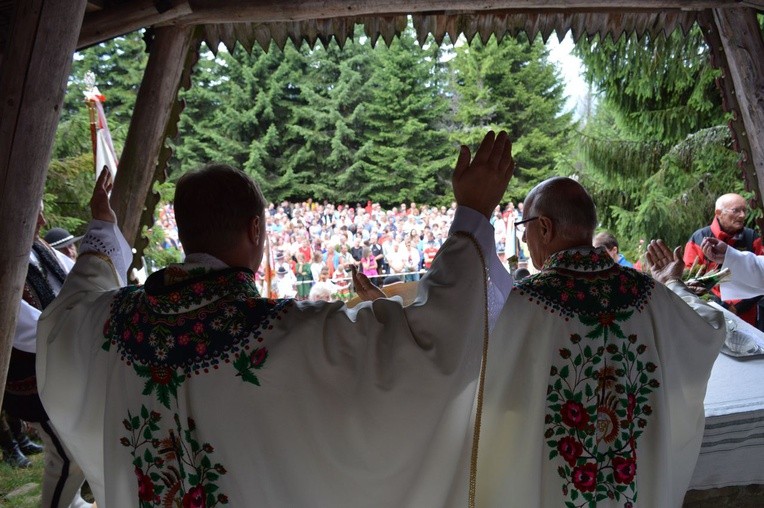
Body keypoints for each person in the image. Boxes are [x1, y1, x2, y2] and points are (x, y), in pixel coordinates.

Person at [37, 131, 514, 507]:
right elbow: (427, 347)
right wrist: (472, 214)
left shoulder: (112, 325)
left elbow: (63, 320)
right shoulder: (290, 334)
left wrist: (102, 228)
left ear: (184, 233)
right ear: (256, 231)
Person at [476, 177, 726, 507]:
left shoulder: (525, 303)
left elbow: (488, 394)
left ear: (546, 228)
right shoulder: (647, 293)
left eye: (525, 226)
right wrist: (673, 284)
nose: (523, 236)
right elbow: (706, 330)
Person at [3, 206, 91, 507]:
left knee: (74, 451)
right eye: (34, 210)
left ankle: (73, 501)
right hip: (33, 377)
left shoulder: (38, 247)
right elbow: (24, 328)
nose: (42, 219)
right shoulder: (7, 256)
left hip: (58, 364)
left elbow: (76, 278)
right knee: (69, 454)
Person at [683, 193, 764, 325]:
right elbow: (690, 279)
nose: (742, 215)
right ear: (719, 213)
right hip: (712, 314)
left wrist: (737, 307)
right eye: (736, 210)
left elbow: (760, 274)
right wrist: (723, 306)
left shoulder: (751, 237)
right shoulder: (699, 238)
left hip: (747, 315)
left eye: (744, 210)